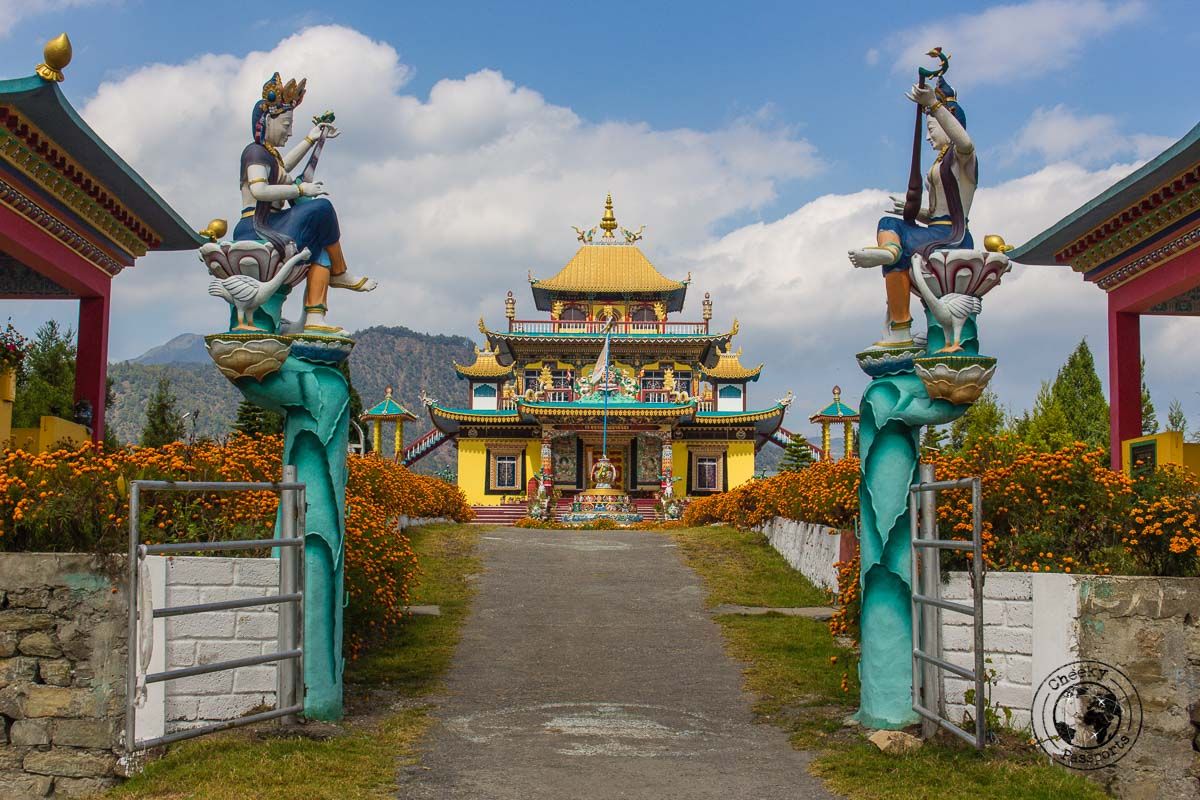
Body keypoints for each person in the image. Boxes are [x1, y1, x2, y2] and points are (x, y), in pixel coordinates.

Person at [234, 73, 376, 334]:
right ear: (267, 121)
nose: (289, 131)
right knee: (321, 208)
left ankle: (314, 317)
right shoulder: (254, 152)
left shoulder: (270, 156)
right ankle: (340, 272)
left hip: (273, 224)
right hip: (255, 225)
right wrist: (299, 188)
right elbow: (260, 189)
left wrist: (311, 139)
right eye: (286, 125)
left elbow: (283, 167)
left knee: (319, 248)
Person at [848, 75, 976, 348]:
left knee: (897, 245)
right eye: (928, 129)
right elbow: (935, 213)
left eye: (933, 129)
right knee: (889, 225)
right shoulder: (939, 165)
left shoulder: (963, 160)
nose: (929, 136)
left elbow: (965, 143)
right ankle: (900, 327)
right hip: (935, 230)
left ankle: (894, 256)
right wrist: (915, 212)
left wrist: (933, 105)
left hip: (952, 236)